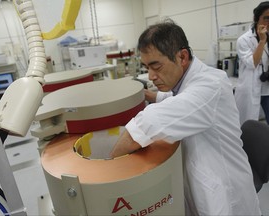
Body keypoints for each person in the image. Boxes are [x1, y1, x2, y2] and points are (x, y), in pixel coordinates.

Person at [110, 19, 261, 215]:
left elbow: (146, 124)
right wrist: (149, 95)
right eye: (147, 67)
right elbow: (176, 98)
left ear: (182, 57)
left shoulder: (210, 85)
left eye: (156, 67)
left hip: (224, 191)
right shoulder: (187, 81)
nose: (151, 76)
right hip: (201, 178)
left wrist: (110, 162)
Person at [235, 1, 269, 125]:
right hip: (250, 87)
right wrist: (262, 41)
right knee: (248, 124)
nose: (268, 22)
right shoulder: (243, 40)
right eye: (266, 18)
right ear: (256, 19)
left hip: (267, 88)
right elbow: (253, 63)